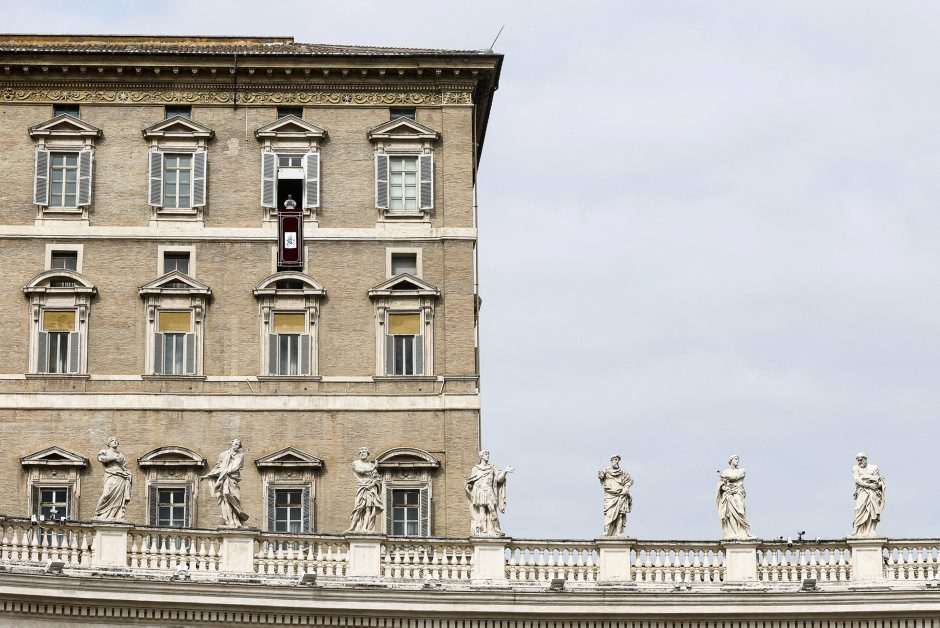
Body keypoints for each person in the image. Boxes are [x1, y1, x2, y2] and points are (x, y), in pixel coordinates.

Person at [201, 439, 250, 528]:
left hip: (232, 480)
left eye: (238, 445)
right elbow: (218, 468)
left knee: (234, 497)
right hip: (224, 480)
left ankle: (238, 517)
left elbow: (234, 467)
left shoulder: (240, 456)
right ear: (231, 444)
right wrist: (207, 476)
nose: (237, 446)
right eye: (235, 444)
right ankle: (231, 521)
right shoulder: (223, 455)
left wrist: (214, 474)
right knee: (225, 497)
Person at [465, 450, 514, 536]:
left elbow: (499, 479)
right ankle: (484, 529)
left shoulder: (492, 468)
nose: (487, 456)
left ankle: (496, 528)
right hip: (479, 490)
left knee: (492, 509)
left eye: (488, 454)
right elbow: (471, 481)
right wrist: (469, 486)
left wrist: (505, 471)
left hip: (489, 490)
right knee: (482, 510)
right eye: (486, 454)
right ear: (481, 456)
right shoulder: (475, 469)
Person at [92, 436, 132, 521]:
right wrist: (113, 458)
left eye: (116, 440)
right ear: (109, 443)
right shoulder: (104, 452)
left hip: (120, 477)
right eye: (112, 441)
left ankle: (113, 516)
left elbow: (123, 467)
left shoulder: (121, 455)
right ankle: (98, 513)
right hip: (110, 475)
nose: (115, 442)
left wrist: (128, 474)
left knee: (118, 498)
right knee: (106, 494)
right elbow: (100, 459)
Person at [345, 447, 384, 533]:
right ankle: (352, 527)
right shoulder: (356, 463)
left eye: (364, 452)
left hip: (370, 489)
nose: (362, 453)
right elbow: (359, 471)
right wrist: (373, 468)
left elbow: (377, 479)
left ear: (368, 454)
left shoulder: (371, 465)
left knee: (368, 508)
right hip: (362, 487)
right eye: (360, 452)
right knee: (358, 507)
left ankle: (365, 528)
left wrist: (371, 485)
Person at [717, 455, 751, 539]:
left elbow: (735, 477)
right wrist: (725, 488)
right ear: (731, 461)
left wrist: (723, 475)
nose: (737, 461)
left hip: (738, 493)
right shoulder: (726, 471)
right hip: (729, 495)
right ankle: (735, 533)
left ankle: (746, 531)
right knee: (731, 514)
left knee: (740, 511)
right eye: (736, 459)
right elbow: (721, 484)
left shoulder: (741, 470)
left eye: (738, 459)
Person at [852, 452, 886, 537]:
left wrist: (866, 479)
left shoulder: (874, 467)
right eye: (858, 460)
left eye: (861, 460)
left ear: (865, 459)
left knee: (872, 510)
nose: (859, 462)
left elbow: (878, 480)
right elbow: (857, 479)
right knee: (860, 509)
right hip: (862, 491)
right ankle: (856, 530)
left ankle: (870, 530)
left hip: (873, 492)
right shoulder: (855, 468)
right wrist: (869, 484)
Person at [598, 454, 633, 537]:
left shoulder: (623, 472)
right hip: (610, 495)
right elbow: (601, 475)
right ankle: (607, 531)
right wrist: (601, 476)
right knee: (609, 513)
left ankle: (618, 533)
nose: (616, 461)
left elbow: (630, 480)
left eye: (617, 460)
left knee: (620, 514)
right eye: (615, 460)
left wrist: (626, 488)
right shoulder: (606, 470)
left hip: (621, 494)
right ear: (612, 461)